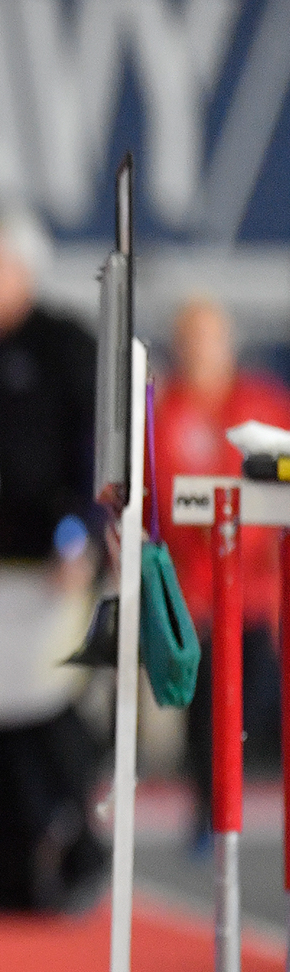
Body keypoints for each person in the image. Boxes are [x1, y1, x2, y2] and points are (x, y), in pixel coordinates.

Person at [0, 207, 105, 915]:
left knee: (45, 709)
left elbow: (97, 442)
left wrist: (82, 531)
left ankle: (81, 848)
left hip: (54, 556)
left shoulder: (65, 343)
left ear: (17, 269)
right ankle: (7, 872)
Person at [152, 296, 290, 852]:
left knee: (250, 697)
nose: (200, 351)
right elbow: (161, 492)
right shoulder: (167, 411)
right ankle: (207, 808)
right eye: (190, 339)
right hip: (193, 592)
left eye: (209, 338)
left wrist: (243, 536)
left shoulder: (263, 404)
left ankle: (222, 802)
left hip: (255, 592)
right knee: (203, 705)